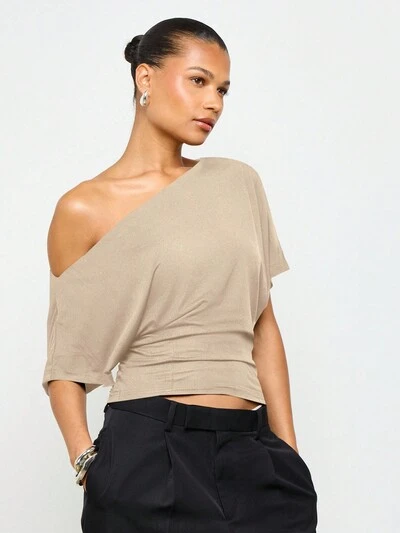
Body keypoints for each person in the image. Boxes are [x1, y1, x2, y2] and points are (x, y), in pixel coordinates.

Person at [42, 16, 318, 533]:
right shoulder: (83, 209)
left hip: (252, 451)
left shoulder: (237, 182)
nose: (213, 102)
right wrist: (87, 465)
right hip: (148, 449)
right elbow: (66, 361)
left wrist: (288, 457)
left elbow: (263, 326)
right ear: (145, 77)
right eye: (198, 80)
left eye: (223, 89)